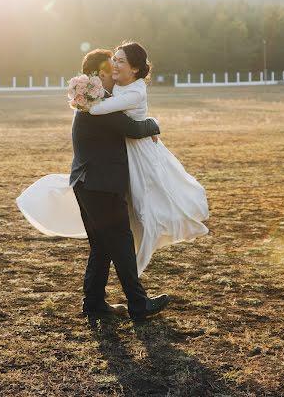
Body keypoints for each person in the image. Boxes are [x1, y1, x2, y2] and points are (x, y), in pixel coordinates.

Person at [17, 48, 170, 320]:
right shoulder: (100, 104)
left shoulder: (90, 103)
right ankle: (138, 303)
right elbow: (134, 129)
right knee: (120, 243)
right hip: (101, 185)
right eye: (111, 66)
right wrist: (155, 124)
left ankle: (94, 303)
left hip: (87, 182)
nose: (115, 71)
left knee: (101, 245)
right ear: (99, 74)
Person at [88, 42, 209, 277]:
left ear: (134, 69)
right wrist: (151, 122)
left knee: (145, 207)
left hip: (138, 152)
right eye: (115, 58)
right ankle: (127, 257)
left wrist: (86, 94)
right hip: (124, 150)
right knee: (131, 207)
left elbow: (96, 110)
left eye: (121, 61)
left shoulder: (135, 90)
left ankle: (138, 253)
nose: (115, 64)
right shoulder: (122, 84)